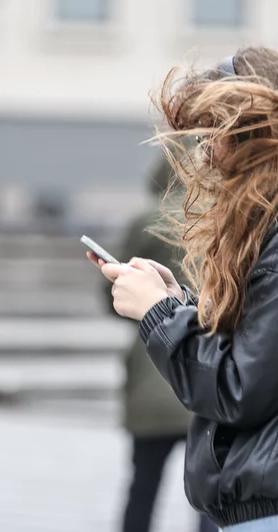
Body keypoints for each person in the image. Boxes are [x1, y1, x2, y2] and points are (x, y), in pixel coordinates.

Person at [89, 47, 278, 531]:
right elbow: (270, 353)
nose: (208, 153)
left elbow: (239, 389)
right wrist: (176, 304)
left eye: (215, 133)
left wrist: (156, 315)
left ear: (255, 132)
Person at [110, 158, 217, 532]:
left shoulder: (146, 219)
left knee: (143, 487)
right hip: (203, 373)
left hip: (150, 370)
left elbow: (113, 298)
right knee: (209, 496)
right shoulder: (217, 217)